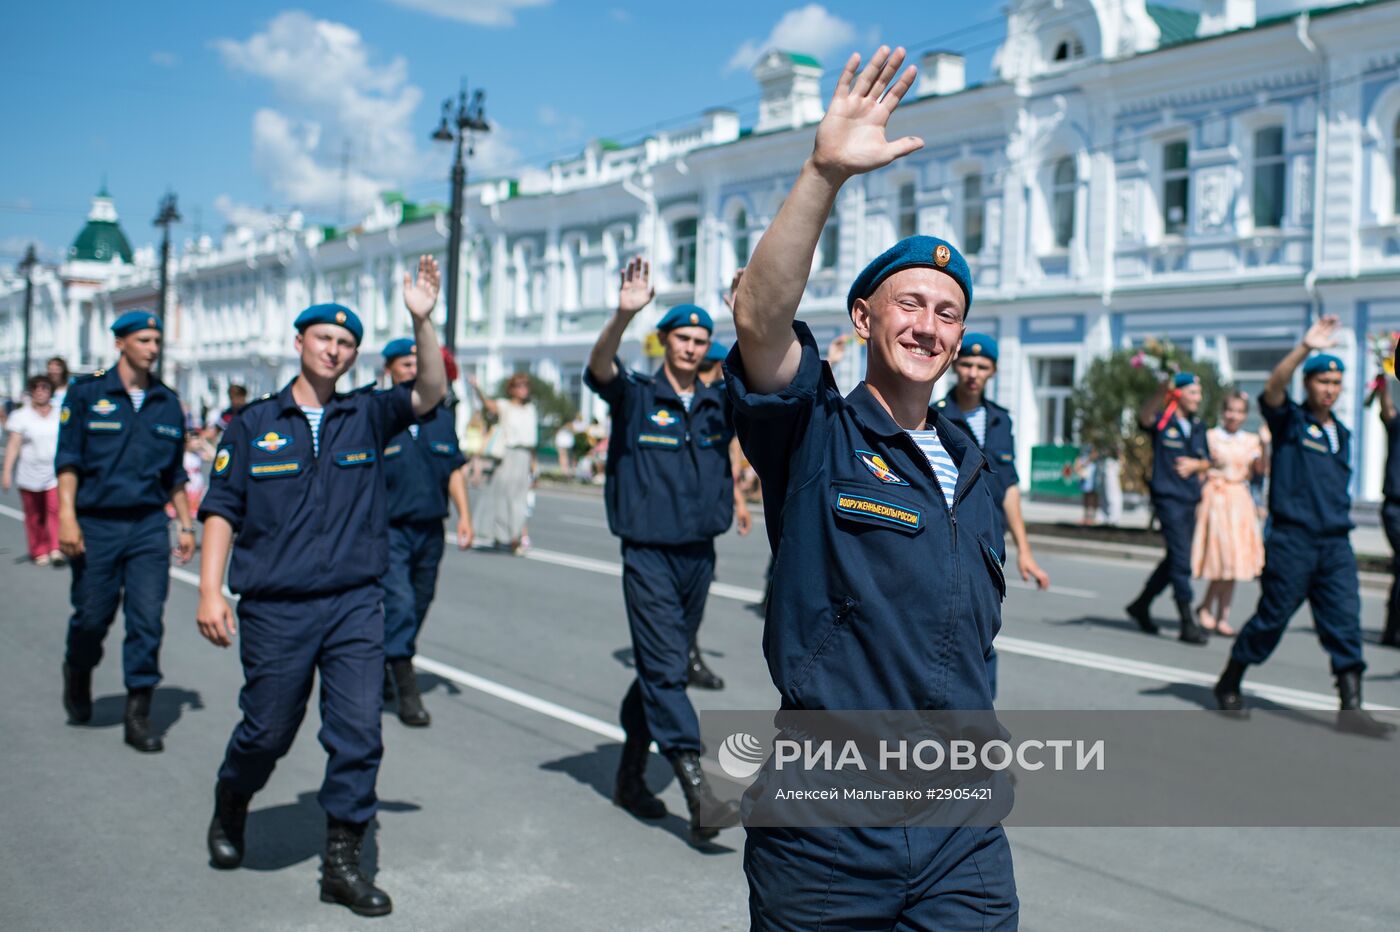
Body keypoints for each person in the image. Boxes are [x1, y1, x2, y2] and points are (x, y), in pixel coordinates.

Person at [725, 46, 1017, 927]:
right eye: (908, 303)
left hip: (962, 826)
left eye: (947, 310)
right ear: (863, 318)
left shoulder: (972, 458)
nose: (928, 325)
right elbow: (759, 319)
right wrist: (823, 172)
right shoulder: (816, 429)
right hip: (826, 830)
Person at [196, 256, 447, 916]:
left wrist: (423, 322)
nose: (334, 350)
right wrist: (209, 591)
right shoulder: (252, 426)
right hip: (276, 608)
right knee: (268, 732)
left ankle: (342, 862)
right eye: (323, 339)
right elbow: (222, 507)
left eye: (346, 344)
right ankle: (233, 800)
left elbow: (429, 394)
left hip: (355, 603)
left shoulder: (367, 414)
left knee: (359, 732)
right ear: (299, 343)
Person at [585, 258, 746, 845]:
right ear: (665, 340)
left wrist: (742, 314)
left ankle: (630, 776)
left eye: (702, 340)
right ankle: (696, 782)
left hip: (699, 555)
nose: (692, 346)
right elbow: (599, 367)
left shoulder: (717, 401)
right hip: (648, 553)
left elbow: (757, 372)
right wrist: (626, 312)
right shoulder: (634, 396)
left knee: (660, 669)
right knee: (666, 669)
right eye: (683, 336)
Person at [1214, 317, 1394, 738]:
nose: (1329, 388)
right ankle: (1230, 681)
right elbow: (1273, 388)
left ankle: (1351, 707)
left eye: (1336, 381)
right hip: (1294, 541)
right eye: (1322, 380)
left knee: (1345, 623)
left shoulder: (1343, 434)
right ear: (1309, 383)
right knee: (1271, 619)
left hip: (1334, 545)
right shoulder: (1290, 422)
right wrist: (1304, 348)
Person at [54, 311, 196, 752]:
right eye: (144, 340)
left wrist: (186, 525)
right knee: (92, 617)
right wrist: (66, 517)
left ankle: (139, 713)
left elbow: (174, 473)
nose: (153, 348)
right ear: (120, 343)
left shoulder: (168, 402)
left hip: (149, 526)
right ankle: (78, 671)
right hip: (96, 523)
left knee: (147, 621)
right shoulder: (86, 392)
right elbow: (69, 460)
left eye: (156, 340)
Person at [937, 333, 1050, 698]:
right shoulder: (935, 414)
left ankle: (977, 720)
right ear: (955, 366)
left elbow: (1010, 488)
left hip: (988, 547)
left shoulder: (1001, 421)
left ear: (994, 371)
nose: (973, 373)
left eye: (982, 367)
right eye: (967, 364)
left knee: (982, 629)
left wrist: (1025, 551)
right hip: (947, 541)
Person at [378, 337, 473, 727]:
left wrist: (464, 515)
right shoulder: (378, 415)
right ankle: (407, 688)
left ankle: (388, 660)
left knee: (419, 601)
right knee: (399, 603)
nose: (413, 370)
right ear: (390, 370)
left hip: (430, 528)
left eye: (418, 363)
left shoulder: (441, 417)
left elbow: (452, 468)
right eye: (404, 364)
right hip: (389, 529)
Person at [1125, 372, 1211, 644]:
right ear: (1180, 394)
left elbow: (1208, 460)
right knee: (1182, 559)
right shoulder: (1164, 419)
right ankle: (1187, 621)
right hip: (1168, 497)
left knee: (1176, 557)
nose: (1198, 398)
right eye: (1193, 392)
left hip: (1190, 498)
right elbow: (1144, 418)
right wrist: (1161, 392)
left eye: (1199, 393)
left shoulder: (1198, 426)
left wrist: (1197, 465)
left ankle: (1141, 604)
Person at [1190, 393, 1264, 636]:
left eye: (1239, 411)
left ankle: (1222, 615)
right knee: (1221, 559)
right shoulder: (1212, 437)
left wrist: (1265, 445)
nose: (1234, 416)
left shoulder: (1251, 441)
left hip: (1239, 501)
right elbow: (1200, 466)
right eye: (1230, 410)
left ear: (1245, 415)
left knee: (1234, 562)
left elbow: (1259, 471)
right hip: (1217, 498)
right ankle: (1205, 608)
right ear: (1224, 412)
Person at [468, 371, 537, 552]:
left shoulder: (531, 409)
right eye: (519, 385)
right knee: (501, 497)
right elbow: (487, 404)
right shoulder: (505, 406)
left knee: (520, 499)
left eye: (526, 385)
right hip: (508, 455)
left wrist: (534, 465)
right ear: (511, 389)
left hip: (524, 457)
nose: (524, 389)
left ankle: (515, 537)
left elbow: (532, 442)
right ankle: (501, 536)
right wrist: (477, 387)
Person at [3, 374, 63, 565]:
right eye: (36, 388)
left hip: (54, 472)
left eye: (44, 387)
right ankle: (39, 550)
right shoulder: (21, 416)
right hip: (29, 473)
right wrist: (6, 472)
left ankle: (55, 548)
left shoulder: (60, 413)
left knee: (55, 511)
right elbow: (13, 445)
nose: (40, 391)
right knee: (34, 515)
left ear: (50, 391)